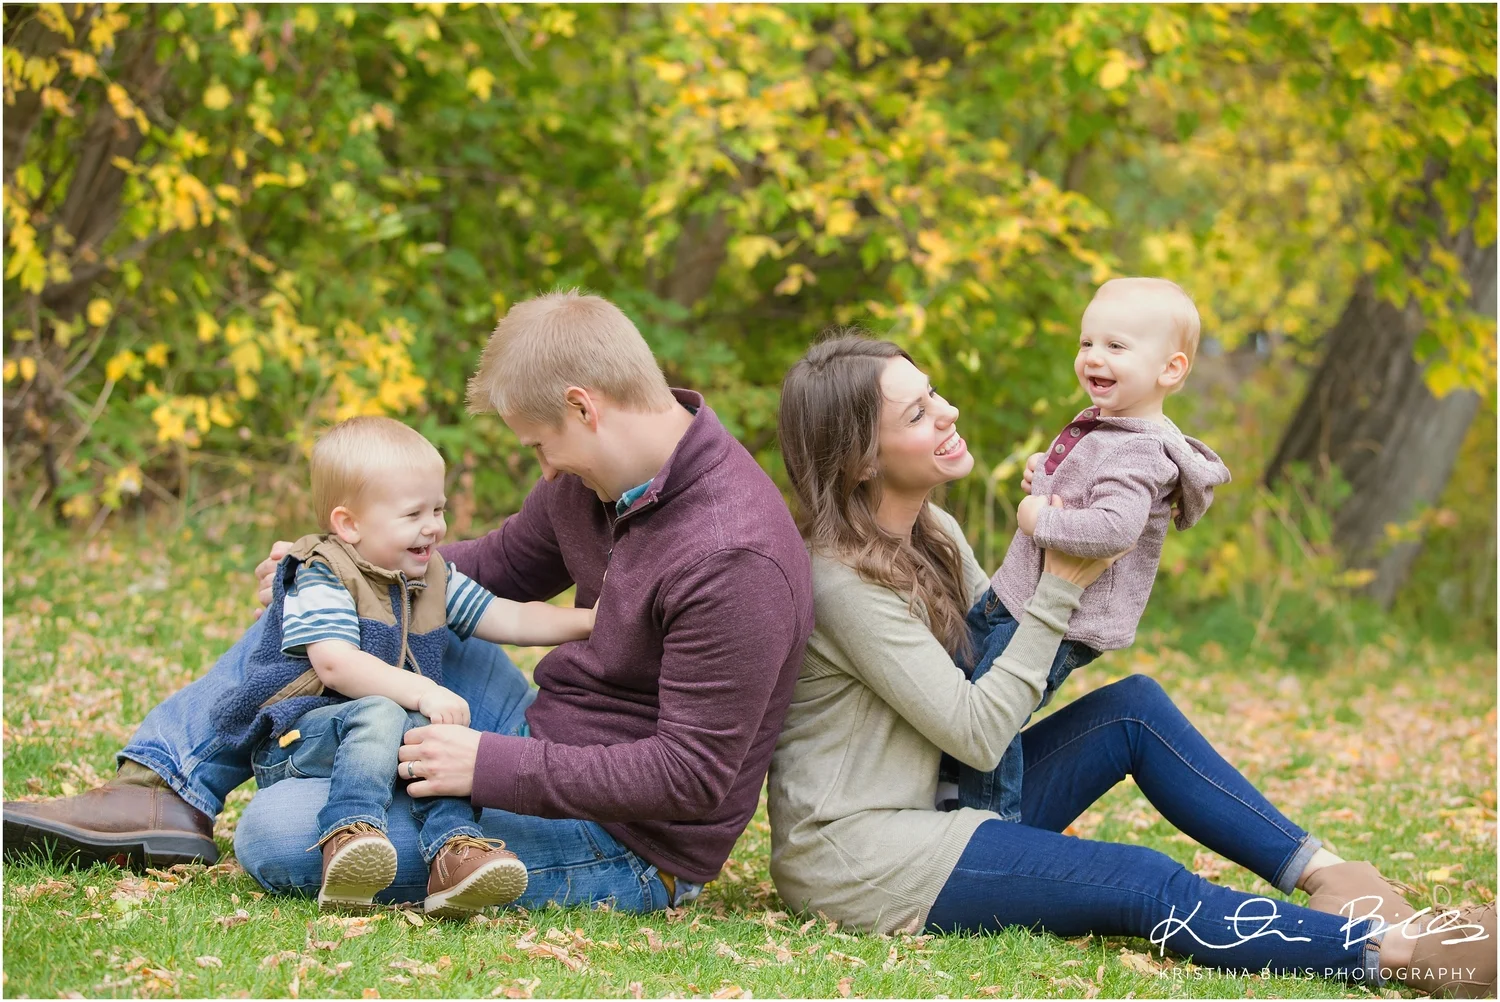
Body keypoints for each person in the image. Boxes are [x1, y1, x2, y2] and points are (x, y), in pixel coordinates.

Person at [4, 290, 815, 916]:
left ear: (583, 406)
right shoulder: (593, 484)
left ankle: (380, 795)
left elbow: (692, 778)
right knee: (333, 598)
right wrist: (340, 568)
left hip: (630, 841)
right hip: (545, 731)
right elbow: (486, 566)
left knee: (278, 833)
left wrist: (490, 764)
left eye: (539, 443)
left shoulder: (732, 553)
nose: (541, 465)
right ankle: (168, 789)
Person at [767, 333, 1494, 996]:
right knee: (1142, 882)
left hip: (945, 795)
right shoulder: (842, 584)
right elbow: (981, 731)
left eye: (935, 393)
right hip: (864, 857)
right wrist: (1059, 585)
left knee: (1133, 709)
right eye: (920, 413)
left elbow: (1009, 658)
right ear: (862, 457)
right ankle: (1400, 950)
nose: (948, 412)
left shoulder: (934, 532)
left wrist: (1100, 527)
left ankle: (1330, 874)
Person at [234, 416, 594, 916]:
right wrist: (423, 691)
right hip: (305, 737)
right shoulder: (320, 574)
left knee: (434, 737)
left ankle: (455, 853)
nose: (434, 526)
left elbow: (508, 616)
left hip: (382, 733)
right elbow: (335, 665)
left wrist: (592, 620)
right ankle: (349, 837)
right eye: (413, 514)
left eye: (439, 508)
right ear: (349, 524)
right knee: (384, 711)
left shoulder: (430, 577)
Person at [943, 277, 1231, 817]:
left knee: (994, 715)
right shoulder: (1110, 426)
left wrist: (1037, 519)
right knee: (961, 690)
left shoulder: (1142, 451)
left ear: (1170, 369)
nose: (1094, 357)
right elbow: (1086, 489)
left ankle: (990, 828)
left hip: (1061, 617)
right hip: (1018, 599)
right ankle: (945, 799)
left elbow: (1112, 529)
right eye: (1086, 343)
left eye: (1116, 346)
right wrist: (1045, 479)